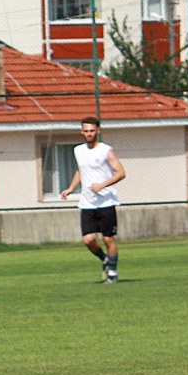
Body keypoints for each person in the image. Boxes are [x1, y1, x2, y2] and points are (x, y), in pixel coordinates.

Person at [60, 116, 127, 283]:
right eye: (86, 131)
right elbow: (80, 170)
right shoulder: (78, 150)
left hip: (106, 202)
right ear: (81, 132)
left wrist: (102, 185)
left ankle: (112, 273)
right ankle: (105, 259)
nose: (89, 134)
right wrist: (70, 188)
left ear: (98, 131)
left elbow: (121, 173)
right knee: (88, 240)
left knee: (107, 238)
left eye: (92, 130)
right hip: (87, 203)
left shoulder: (106, 150)